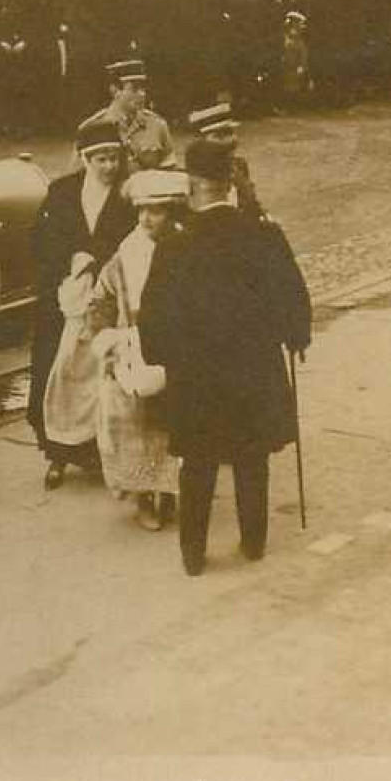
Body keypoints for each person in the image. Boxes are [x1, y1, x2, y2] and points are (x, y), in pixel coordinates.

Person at [137, 137, 312, 577]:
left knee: (198, 463)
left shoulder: (176, 245)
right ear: (227, 184)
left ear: (195, 187)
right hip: (253, 371)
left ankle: (193, 556)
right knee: (252, 457)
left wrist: (164, 359)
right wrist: (295, 337)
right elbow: (291, 294)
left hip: (197, 378)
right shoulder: (263, 233)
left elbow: (154, 314)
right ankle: (254, 543)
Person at [28, 119, 136, 490]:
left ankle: (93, 451)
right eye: (101, 159)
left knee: (98, 374)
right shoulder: (61, 193)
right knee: (57, 372)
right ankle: (56, 453)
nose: (109, 166)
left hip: (109, 296)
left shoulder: (126, 196)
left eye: (114, 158)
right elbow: (42, 241)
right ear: (86, 159)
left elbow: (133, 241)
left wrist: (100, 260)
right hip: (64, 297)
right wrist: (70, 258)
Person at [88, 168, 189, 531]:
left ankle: (172, 491)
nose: (147, 218)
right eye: (142, 210)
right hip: (132, 348)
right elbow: (100, 301)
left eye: (156, 210)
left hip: (176, 345)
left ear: (171, 212)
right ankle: (144, 495)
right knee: (135, 427)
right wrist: (107, 339)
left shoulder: (186, 247)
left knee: (171, 424)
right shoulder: (124, 254)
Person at [78, 59, 174, 171]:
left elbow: (170, 169)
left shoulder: (157, 125)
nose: (142, 94)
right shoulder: (91, 128)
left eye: (143, 89)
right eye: (135, 89)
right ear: (115, 91)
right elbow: (78, 178)